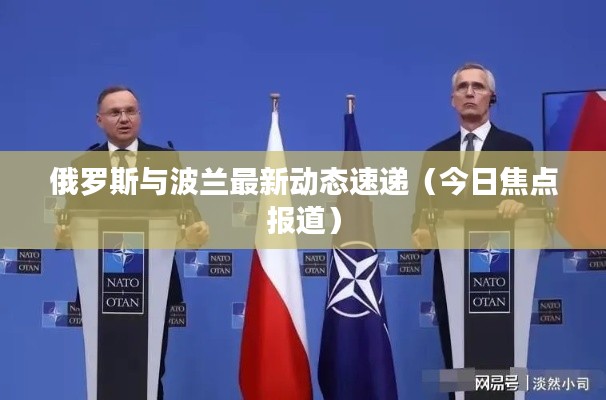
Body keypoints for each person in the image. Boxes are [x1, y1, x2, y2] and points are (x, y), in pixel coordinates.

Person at [54, 85, 209, 400]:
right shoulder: (82, 165)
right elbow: (70, 224)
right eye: (115, 112)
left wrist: (194, 234)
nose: (124, 118)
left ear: (140, 116)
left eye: (130, 111)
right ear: (99, 120)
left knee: (150, 371)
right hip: (101, 286)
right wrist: (63, 235)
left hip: (154, 285)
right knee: (105, 371)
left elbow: (189, 217)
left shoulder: (166, 161)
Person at [411, 63, 536, 400]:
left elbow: (536, 209)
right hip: (451, 278)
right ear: (452, 99)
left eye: (478, 86)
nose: (469, 92)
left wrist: (520, 206)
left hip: (498, 274)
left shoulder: (517, 148)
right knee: (459, 370)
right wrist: (421, 235)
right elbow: (422, 220)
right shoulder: (435, 155)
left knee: (498, 370)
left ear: (491, 97)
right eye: (462, 87)